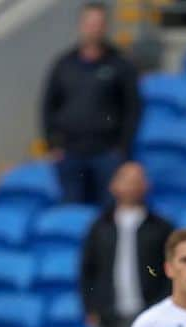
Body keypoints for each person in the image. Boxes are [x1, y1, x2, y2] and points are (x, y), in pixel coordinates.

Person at [42, 2, 142, 206]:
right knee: (72, 213)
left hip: (106, 154)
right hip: (70, 154)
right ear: (81, 25)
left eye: (99, 23)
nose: (94, 28)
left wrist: (122, 148)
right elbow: (48, 106)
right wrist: (53, 144)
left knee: (106, 214)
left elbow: (133, 109)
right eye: (90, 23)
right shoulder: (64, 64)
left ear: (105, 27)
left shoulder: (120, 64)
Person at [80, 162, 173, 327]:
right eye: (126, 179)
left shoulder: (160, 227)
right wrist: (92, 308)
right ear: (114, 185)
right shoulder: (100, 226)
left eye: (137, 180)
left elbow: (170, 272)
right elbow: (88, 270)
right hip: (107, 320)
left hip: (149, 317)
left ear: (146, 185)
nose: (132, 186)